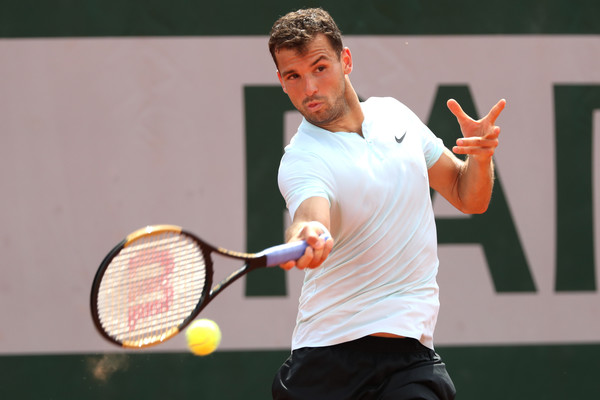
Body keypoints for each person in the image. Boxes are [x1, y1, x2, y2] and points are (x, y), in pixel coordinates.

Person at [268, 8, 505, 400]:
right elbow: (310, 216)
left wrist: (480, 158)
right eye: (293, 76)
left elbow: (467, 197)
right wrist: (307, 233)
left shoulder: (396, 116)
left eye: (320, 68)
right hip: (327, 359)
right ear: (281, 80)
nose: (309, 87)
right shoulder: (302, 159)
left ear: (345, 60)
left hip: (410, 359)